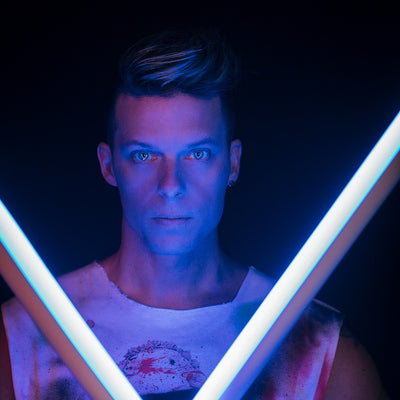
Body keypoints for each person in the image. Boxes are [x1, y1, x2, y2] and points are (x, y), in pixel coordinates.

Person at [0, 28, 389, 400]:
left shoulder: (314, 348)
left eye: (198, 154)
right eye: (144, 155)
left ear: (232, 163)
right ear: (108, 165)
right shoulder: (24, 336)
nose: (171, 185)